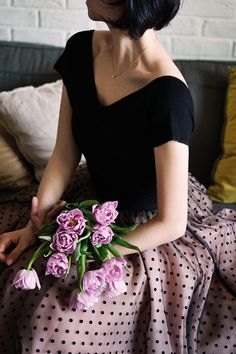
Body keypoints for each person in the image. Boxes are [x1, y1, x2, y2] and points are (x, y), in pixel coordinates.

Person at [0, 0, 235, 353]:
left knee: (54, 319)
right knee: (21, 277)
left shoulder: (169, 96)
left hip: (147, 226)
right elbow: (64, 155)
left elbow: (171, 222)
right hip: (93, 196)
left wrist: (95, 249)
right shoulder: (80, 49)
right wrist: (37, 227)